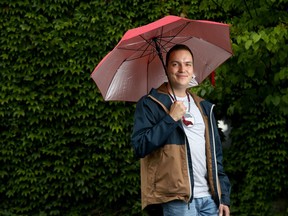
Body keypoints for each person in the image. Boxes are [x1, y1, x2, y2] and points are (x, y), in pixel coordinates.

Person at [131, 44, 231, 216]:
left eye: (188, 64)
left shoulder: (204, 107)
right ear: (167, 68)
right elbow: (139, 146)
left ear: (193, 69)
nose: (182, 69)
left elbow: (216, 156)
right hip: (176, 199)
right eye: (175, 64)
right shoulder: (150, 104)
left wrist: (223, 197)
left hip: (209, 199)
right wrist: (170, 119)